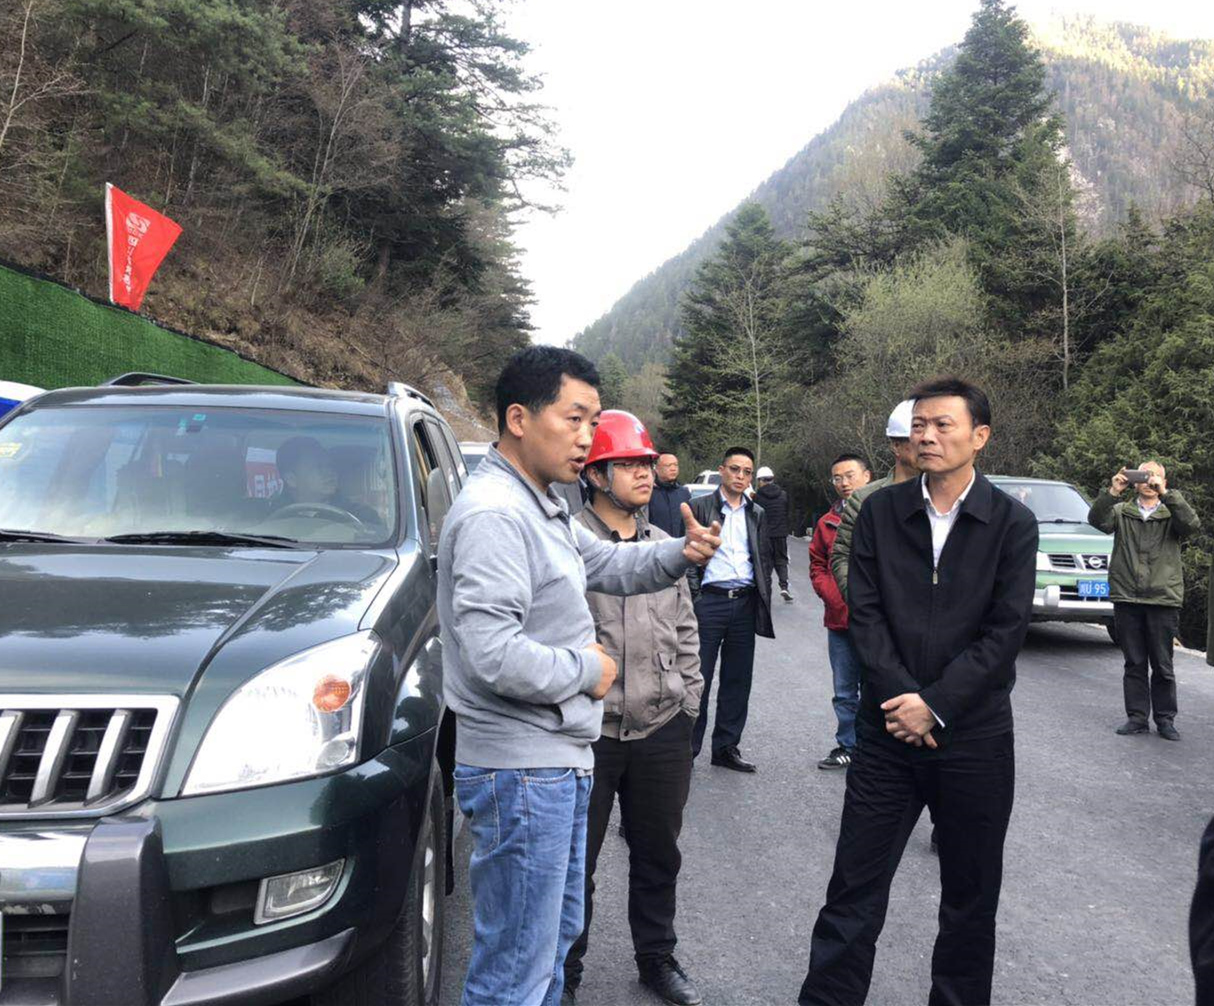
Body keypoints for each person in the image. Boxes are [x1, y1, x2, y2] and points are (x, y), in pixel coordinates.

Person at [436, 347, 721, 1006]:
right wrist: (588, 670)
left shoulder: (540, 506)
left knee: (548, 947)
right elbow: (491, 653)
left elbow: (611, 565)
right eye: (574, 419)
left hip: (554, 762)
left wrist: (680, 553)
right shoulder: (495, 515)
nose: (588, 437)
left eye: (594, 422)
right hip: (522, 772)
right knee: (516, 965)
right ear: (519, 419)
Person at [798, 376, 1038, 1006]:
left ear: (979, 437)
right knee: (854, 888)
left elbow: (1005, 631)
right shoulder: (881, 512)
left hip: (974, 737)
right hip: (886, 730)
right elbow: (865, 613)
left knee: (970, 898)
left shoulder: (1011, 523)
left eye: (942, 425)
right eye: (919, 425)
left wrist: (935, 705)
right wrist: (904, 699)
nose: (926, 436)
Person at [564, 411, 704, 1006]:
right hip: (588, 733)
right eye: (628, 464)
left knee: (658, 855)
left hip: (663, 725)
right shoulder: (569, 542)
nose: (645, 473)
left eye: (647, 463)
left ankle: (656, 958)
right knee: (576, 865)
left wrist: (689, 698)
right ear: (596, 475)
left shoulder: (663, 545)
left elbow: (686, 626)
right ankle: (565, 972)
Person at [1088, 460, 1200, 741]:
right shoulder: (1121, 511)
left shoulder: (1171, 511)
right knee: (1134, 662)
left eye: (1155, 477)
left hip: (1162, 600)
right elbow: (1096, 521)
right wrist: (1112, 491)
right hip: (1127, 597)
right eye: (1144, 476)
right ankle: (1137, 718)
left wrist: (1166, 494)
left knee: (1163, 664)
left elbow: (1191, 525)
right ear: (1134, 481)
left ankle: (1165, 720)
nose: (1149, 482)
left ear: (1164, 481)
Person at [687, 446, 775, 773]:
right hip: (709, 602)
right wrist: (695, 598)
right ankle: (687, 750)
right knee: (698, 679)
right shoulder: (700, 507)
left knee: (737, 680)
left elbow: (762, 558)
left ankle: (726, 748)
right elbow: (687, 559)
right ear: (722, 470)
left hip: (744, 602)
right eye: (735, 469)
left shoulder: (757, 512)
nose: (740, 476)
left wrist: (763, 594)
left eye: (747, 472)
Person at [808, 454, 872, 770]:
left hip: (879, 622)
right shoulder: (827, 522)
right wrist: (833, 595)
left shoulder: (884, 513)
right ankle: (848, 745)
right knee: (845, 691)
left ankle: (876, 750)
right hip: (841, 620)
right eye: (837, 477)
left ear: (867, 476)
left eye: (850, 475)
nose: (844, 483)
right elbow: (818, 565)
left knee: (879, 688)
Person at [830, 399, 919, 601]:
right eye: (917, 439)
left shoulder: (944, 497)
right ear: (896, 445)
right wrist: (862, 604)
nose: (929, 444)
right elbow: (842, 556)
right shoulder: (864, 500)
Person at [273, 435, 379, 523]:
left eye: (330, 466)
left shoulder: (362, 516)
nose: (329, 472)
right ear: (291, 479)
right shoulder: (268, 515)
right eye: (318, 467)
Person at [755, 465, 794, 602]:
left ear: (761, 480)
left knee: (766, 563)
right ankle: (784, 587)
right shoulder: (783, 495)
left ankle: (765, 591)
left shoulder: (758, 497)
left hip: (764, 536)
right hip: (781, 534)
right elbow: (788, 513)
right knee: (781, 560)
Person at [649, 452, 692, 539]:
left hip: (680, 544)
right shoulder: (649, 493)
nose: (673, 469)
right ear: (657, 469)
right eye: (668, 465)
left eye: (675, 465)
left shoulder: (684, 493)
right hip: (656, 544)